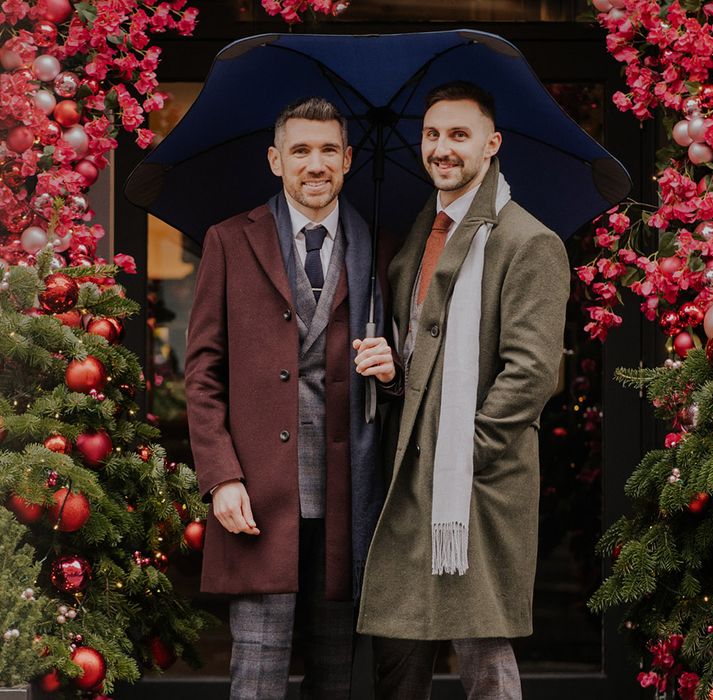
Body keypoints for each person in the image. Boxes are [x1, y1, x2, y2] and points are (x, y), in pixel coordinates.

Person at [355, 81, 571, 699]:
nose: (442, 148)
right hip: (414, 473)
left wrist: (464, 452)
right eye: (431, 134)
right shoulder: (423, 235)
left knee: (483, 647)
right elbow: (426, 352)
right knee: (403, 640)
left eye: (458, 134)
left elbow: (530, 374)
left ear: (491, 144)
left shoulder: (528, 242)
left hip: (476, 479)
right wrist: (395, 369)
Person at [185, 97, 393, 700]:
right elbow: (202, 374)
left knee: (336, 678)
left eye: (329, 149)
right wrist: (220, 477)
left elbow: (406, 365)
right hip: (256, 498)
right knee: (257, 674)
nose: (315, 163)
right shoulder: (228, 240)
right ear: (276, 160)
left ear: (349, 159)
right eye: (300, 150)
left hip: (347, 498)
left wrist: (393, 369)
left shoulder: (380, 246)